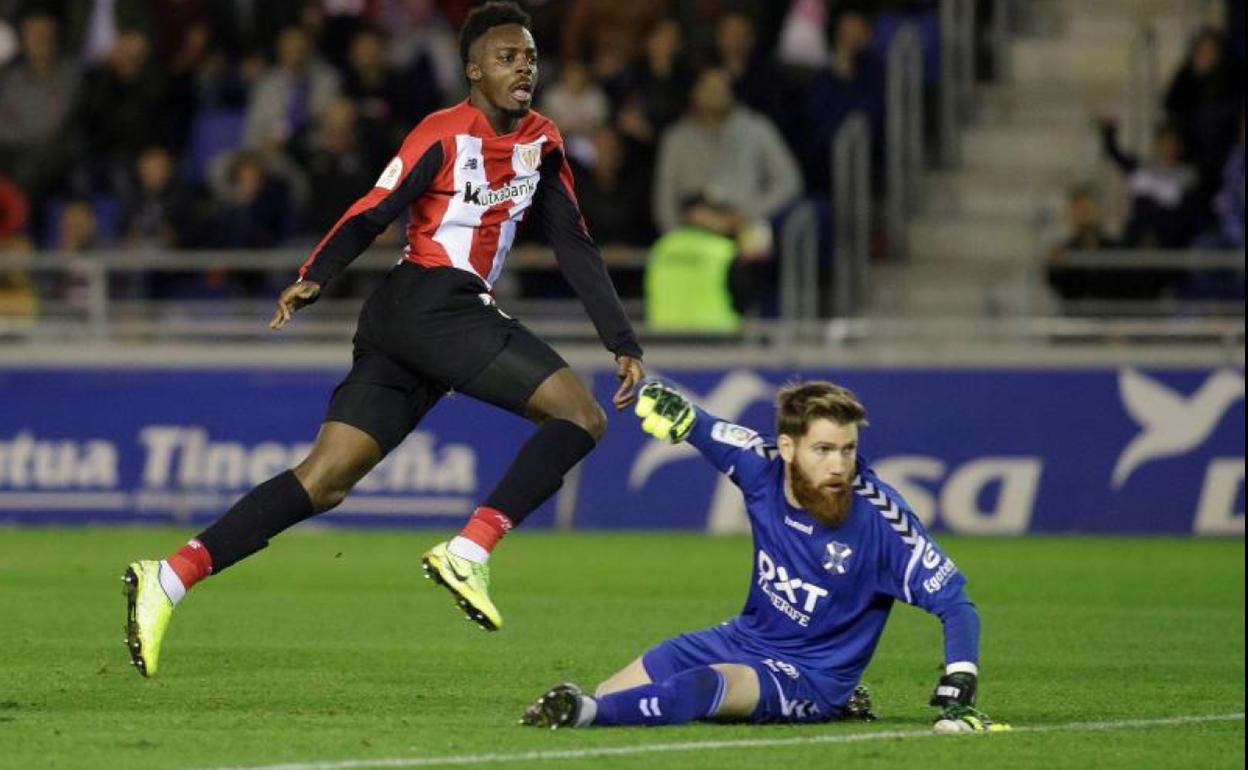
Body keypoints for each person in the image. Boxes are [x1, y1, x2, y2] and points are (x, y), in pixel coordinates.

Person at [121, 1, 645, 678]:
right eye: (508, 57)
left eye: (531, 58)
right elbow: (376, 207)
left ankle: (168, 577)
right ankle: (471, 550)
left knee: (325, 480)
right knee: (581, 415)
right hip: (432, 302)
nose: (524, 68)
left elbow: (573, 241)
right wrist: (316, 275)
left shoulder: (543, 143)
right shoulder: (442, 133)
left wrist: (619, 337)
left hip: (417, 319)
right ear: (474, 71)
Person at [522, 381, 1006, 732]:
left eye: (847, 450)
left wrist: (960, 679)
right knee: (616, 692)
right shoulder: (761, 468)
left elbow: (955, 602)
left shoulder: (882, 521)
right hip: (742, 637)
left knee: (706, 687)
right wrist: (665, 401)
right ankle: (593, 706)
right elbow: (705, 427)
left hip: (811, 676)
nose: (838, 465)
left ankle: (583, 715)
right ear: (789, 448)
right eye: (823, 449)